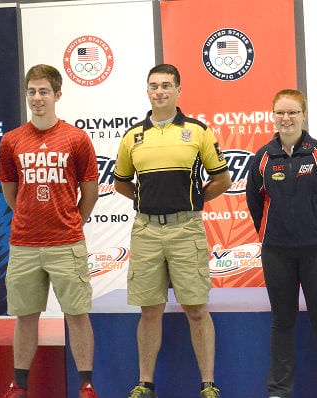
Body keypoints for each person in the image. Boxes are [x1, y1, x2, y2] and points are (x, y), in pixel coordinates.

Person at [113, 63, 231, 398]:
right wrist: (147, 200)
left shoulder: (198, 131)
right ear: (147, 91)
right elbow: (121, 183)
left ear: (179, 90)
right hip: (146, 230)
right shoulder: (133, 136)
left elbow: (222, 180)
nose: (160, 91)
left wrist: (192, 200)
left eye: (166, 85)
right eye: (154, 86)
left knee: (196, 309)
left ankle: (208, 384)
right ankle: (145, 383)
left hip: (186, 230)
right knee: (149, 311)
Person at [0, 64, 99, 398]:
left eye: (43, 91)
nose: (37, 98)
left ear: (57, 95)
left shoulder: (76, 138)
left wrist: (69, 220)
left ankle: (86, 384)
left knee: (77, 315)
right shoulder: (11, 140)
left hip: (66, 242)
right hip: (25, 244)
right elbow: (11, 193)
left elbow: (90, 190)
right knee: (26, 317)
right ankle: (19, 386)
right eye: (31, 91)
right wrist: (30, 215)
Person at [246, 89, 317, 398]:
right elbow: (254, 204)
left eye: (292, 112)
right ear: (272, 115)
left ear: (303, 115)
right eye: (280, 113)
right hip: (277, 252)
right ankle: (278, 390)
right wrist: (270, 236)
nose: (286, 118)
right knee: (283, 319)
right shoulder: (262, 158)